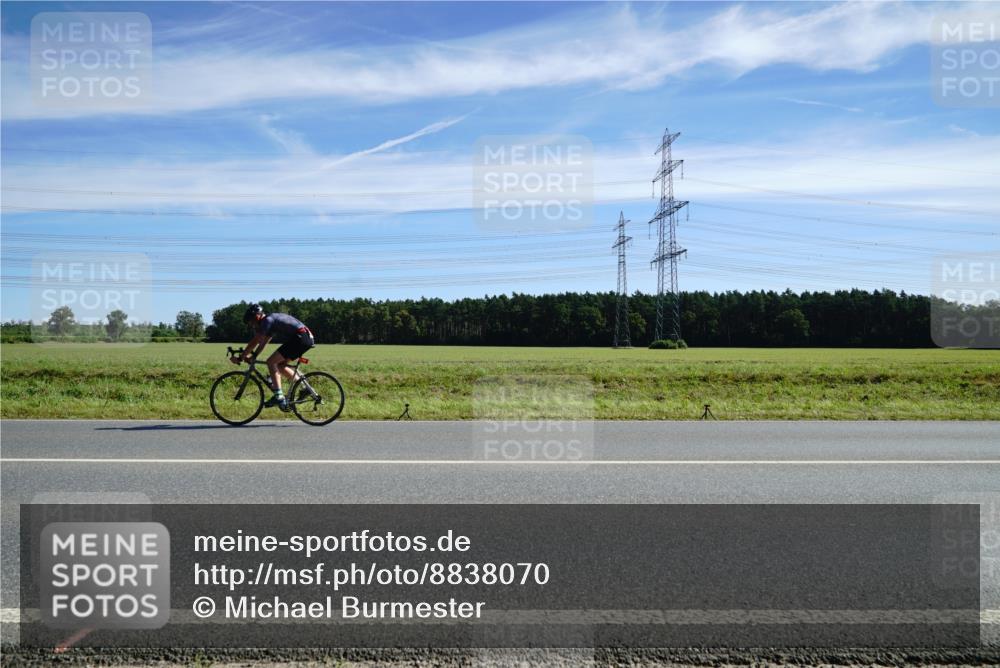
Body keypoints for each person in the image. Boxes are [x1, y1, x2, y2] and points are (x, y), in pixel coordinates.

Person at [232, 304, 315, 411]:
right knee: (280, 365)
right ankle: (305, 388)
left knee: (271, 362)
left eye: (251, 323)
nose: (252, 326)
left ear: (256, 317)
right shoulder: (270, 322)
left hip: (300, 338)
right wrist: (254, 356)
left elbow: (256, 340)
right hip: (304, 338)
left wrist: (241, 357)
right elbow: (263, 343)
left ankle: (279, 397)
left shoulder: (267, 321)